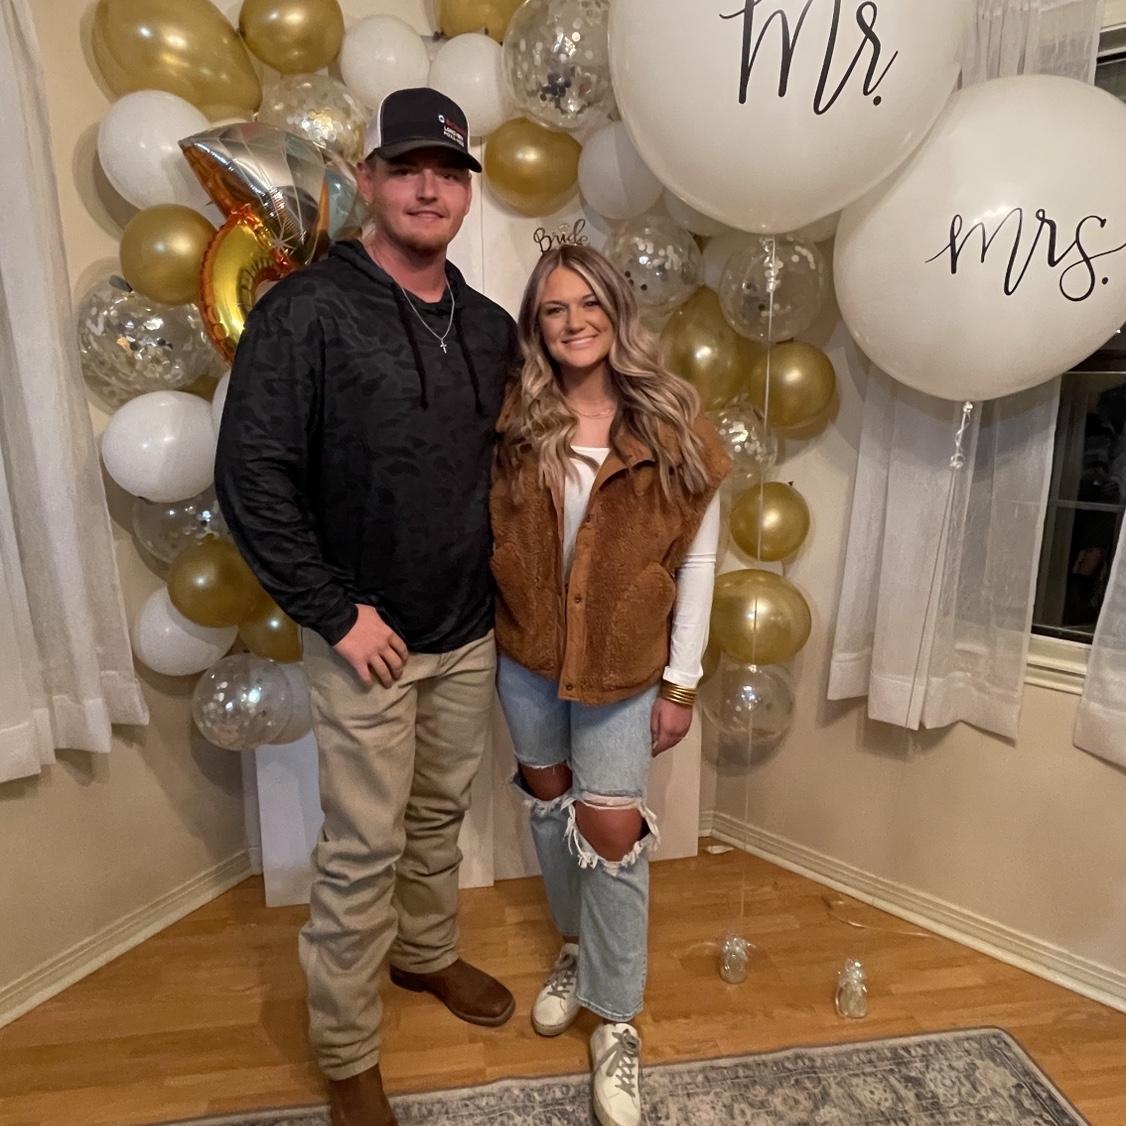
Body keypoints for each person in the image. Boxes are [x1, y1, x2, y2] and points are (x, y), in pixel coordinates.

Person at [215, 88, 519, 1126]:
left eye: (448, 172)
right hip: (365, 639)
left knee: (438, 817)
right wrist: (337, 613)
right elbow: (253, 476)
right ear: (367, 180)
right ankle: (346, 1051)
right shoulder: (304, 312)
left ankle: (425, 953)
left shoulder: (490, 328)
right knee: (362, 849)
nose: (429, 188)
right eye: (407, 168)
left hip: (466, 629)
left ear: (466, 191)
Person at [490, 245, 730, 1126]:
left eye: (589, 303)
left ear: (617, 313)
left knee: (613, 832)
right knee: (548, 810)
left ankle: (617, 1018)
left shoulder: (674, 425)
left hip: (626, 670)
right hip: (526, 660)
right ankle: (574, 948)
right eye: (554, 308)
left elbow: (698, 561)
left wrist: (682, 682)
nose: (574, 321)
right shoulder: (514, 420)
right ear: (537, 325)